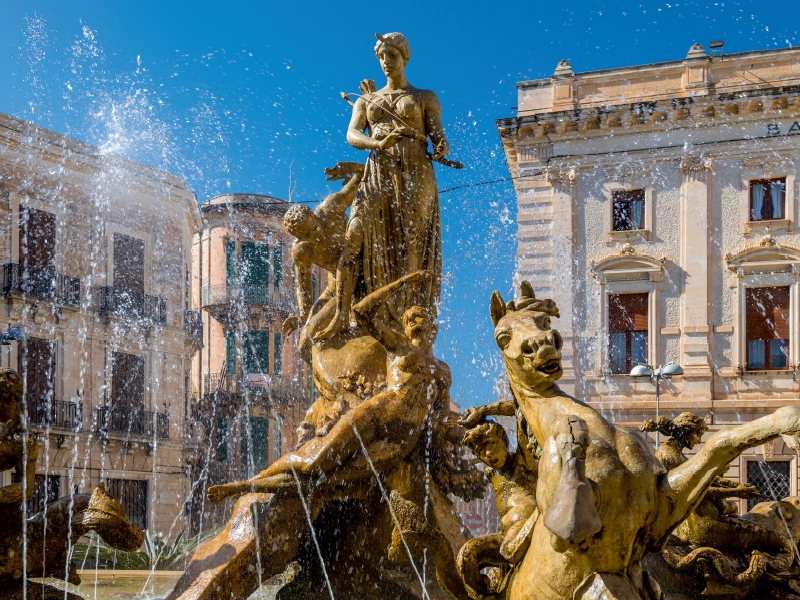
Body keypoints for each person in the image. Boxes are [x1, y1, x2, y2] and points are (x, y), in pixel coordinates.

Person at [207, 270, 450, 503]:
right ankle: (244, 486)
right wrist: (402, 282)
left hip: (400, 442)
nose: (416, 324)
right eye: (410, 320)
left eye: (422, 320)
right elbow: (362, 311)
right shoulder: (399, 346)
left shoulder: (442, 371)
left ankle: (250, 487)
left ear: (434, 329)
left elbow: (442, 416)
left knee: (327, 480)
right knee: (313, 462)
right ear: (404, 328)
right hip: (373, 416)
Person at [314, 32, 449, 340]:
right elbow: (351, 134)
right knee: (357, 233)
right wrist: (376, 141)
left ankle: (409, 316)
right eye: (382, 57)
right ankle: (343, 314)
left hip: (415, 168)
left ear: (404, 57)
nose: (386, 62)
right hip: (378, 169)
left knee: (411, 241)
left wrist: (441, 148)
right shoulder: (367, 99)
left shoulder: (424, 97)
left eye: (392, 56)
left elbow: (439, 137)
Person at [281, 162, 364, 338]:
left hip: (362, 263)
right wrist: (302, 317)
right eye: (309, 234)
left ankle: (341, 316)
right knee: (308, 336)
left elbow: (363, 175)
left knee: (347, 252)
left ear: (313, 215)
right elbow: (303, 288)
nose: (317, 233)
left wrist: (351, 168)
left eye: (315, 226)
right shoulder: (302, 252)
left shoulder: (331, 207)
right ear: (300, 238)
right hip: (336, 284)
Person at [458, 419, 538, 598]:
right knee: (466, 557)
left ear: (503, 439)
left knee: (508, 550)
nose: (488, 454)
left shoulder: (523, 460)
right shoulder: (492, 473)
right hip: (505, 537)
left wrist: (484, 411)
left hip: (528, 528)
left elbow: (521, 412)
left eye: (491, 444)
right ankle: (487, 594)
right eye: (480, 451)